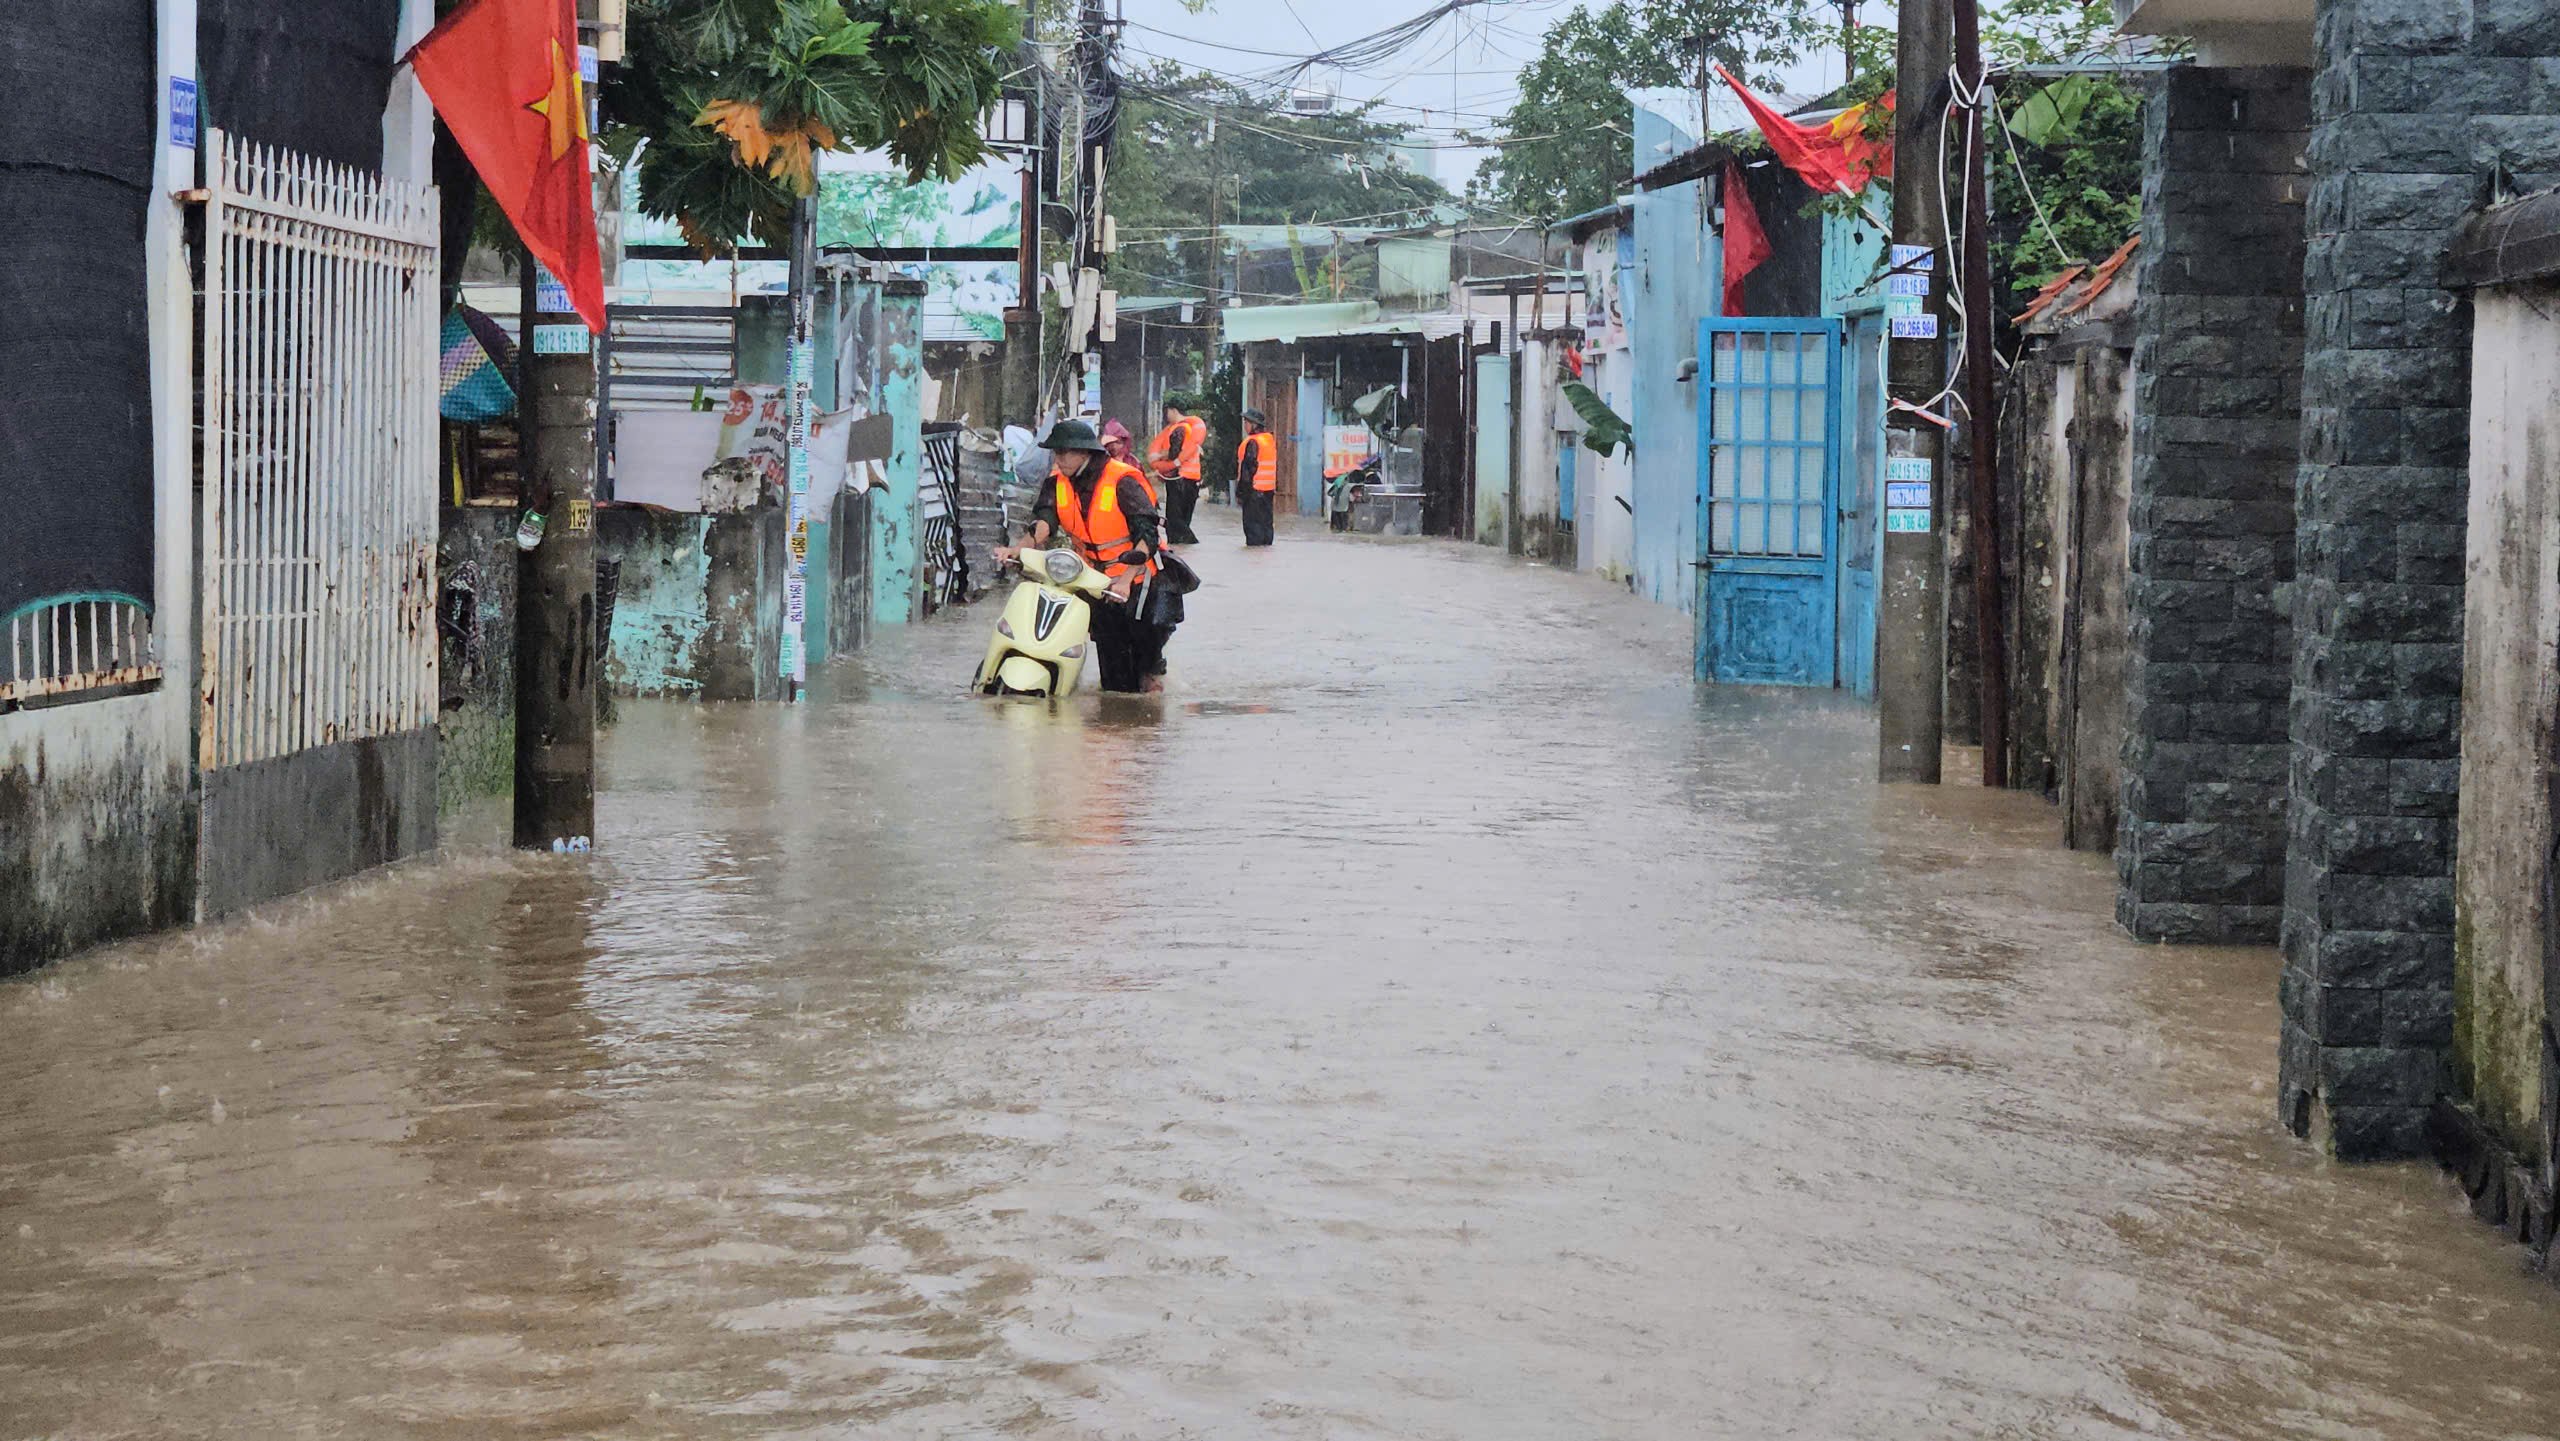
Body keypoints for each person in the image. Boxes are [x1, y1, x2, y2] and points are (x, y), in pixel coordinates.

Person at [999, 419, 1164, 693]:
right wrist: (1019, 549)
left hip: (1133, 581)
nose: (1059, 459)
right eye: (1056, 452)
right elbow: (1045, 521)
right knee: (1111, 670)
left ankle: (1147, 697)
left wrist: (1124, 579)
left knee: (1140, 669)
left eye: (1065, 452)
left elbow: (1147, 535)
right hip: (1090, 579)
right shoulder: (1057, 483)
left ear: (1085, 453)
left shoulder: (1121, 481)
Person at [1148, 398, 1208, 546]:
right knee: (1184, 519)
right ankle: (1186, 549)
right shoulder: (1191, 431)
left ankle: (1191, 543)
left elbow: (1175, 453)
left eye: (1167, 411)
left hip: (1179, 479)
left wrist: (1159, 456)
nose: (1166, 415)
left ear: (1174, 410)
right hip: (1192, 480)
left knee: (1175, 520)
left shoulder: (1179, 429)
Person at [1237, 408, 1279, 547]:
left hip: (1253, 492)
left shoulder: (1253, 442)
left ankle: (1254, 562)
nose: (1245, 425)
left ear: (1254, 424)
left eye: (1246, 422)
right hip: (1267, 492)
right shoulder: (1268, 440)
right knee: (1266, 529)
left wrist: (1241, 493)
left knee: (1253, 532)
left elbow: (1248, 470)